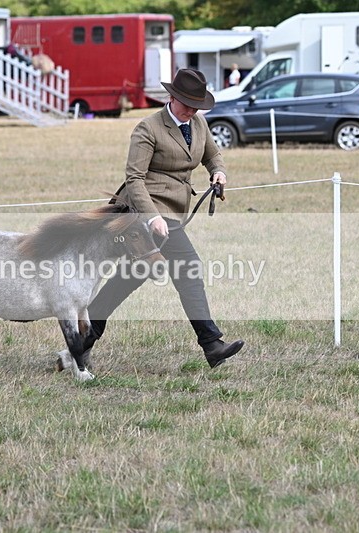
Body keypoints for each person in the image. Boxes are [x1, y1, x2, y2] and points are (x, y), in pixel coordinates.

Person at [63, 68, 245, 371]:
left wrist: (218, 172)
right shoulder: (147, 129)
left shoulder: (198, 123)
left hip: (173, 212)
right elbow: (134, 179)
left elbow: (212, 155)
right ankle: (212, 344)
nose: (192, 111)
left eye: (196, 105)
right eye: (187, 104)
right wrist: (152, 218)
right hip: (145, 210)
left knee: (128, 278)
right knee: (189, 268)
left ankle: (79, 343)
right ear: (172, 98)